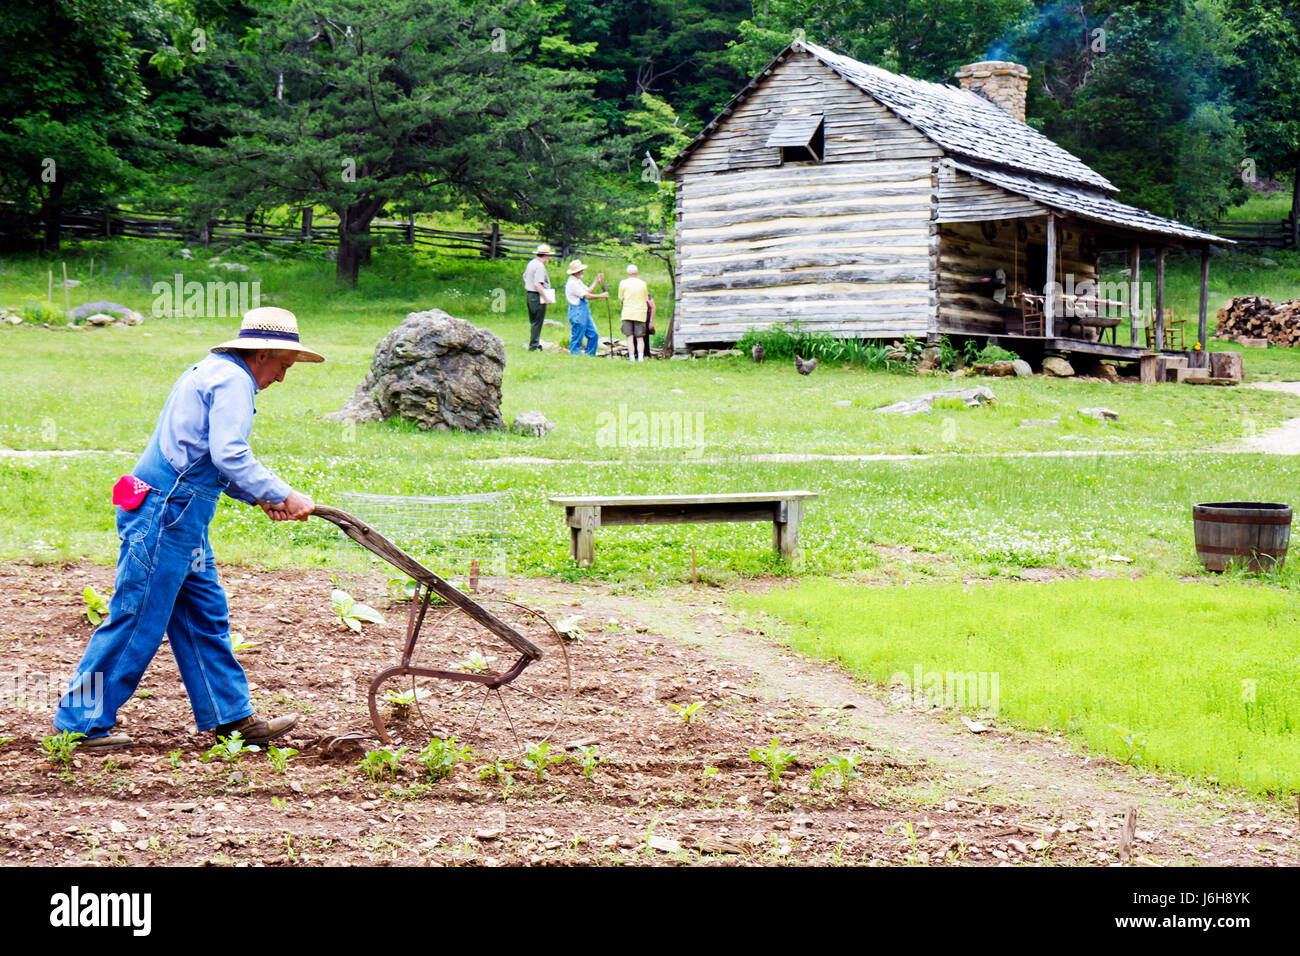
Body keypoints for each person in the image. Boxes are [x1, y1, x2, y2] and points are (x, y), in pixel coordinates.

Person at [53, 307, 323, 751]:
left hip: (177, 513)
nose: (281, 378)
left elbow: (206, 456)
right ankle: (79, 724)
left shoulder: (212, 371)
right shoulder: (233, 380)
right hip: (168, 513)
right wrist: (284, 493)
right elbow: (230, 454)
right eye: (282, 366)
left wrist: (261, 496)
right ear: (262, 355)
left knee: (203, 614)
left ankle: (230, 716)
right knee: (137, 616)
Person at [564, 259, 606, 356]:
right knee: (577, 337)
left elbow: (588, 291)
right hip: (577, 312)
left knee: (593, 334)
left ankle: (590, 355)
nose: (582, 272)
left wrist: (596, 280)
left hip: (585, 312)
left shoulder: (578, 281)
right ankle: (575, 355)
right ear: (576, 272)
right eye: (581, 270)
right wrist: (601, 295)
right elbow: (586, 296)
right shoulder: (572, 283)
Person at [522, 243, 554, 351]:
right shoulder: (540, 266)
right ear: (545, 256)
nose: (548, 258)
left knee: (533, 321)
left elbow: (525, 277)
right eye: (548, 256)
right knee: (537, 322)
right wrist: (545, 297)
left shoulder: (531, 263)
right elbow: (537, 284)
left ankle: (534, 343)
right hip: (536, 296)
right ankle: (534, 346)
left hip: (529, 294)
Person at [617, 263, 650, 361]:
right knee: (640, 337)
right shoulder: (642, 283)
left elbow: (621, 298)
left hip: (627, 312)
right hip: (640, 313)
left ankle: (631, 357)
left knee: (629, 337)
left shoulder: (623, 283)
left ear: (627, 273)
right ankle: (640, 357)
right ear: (637, 273)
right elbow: (645, 298)